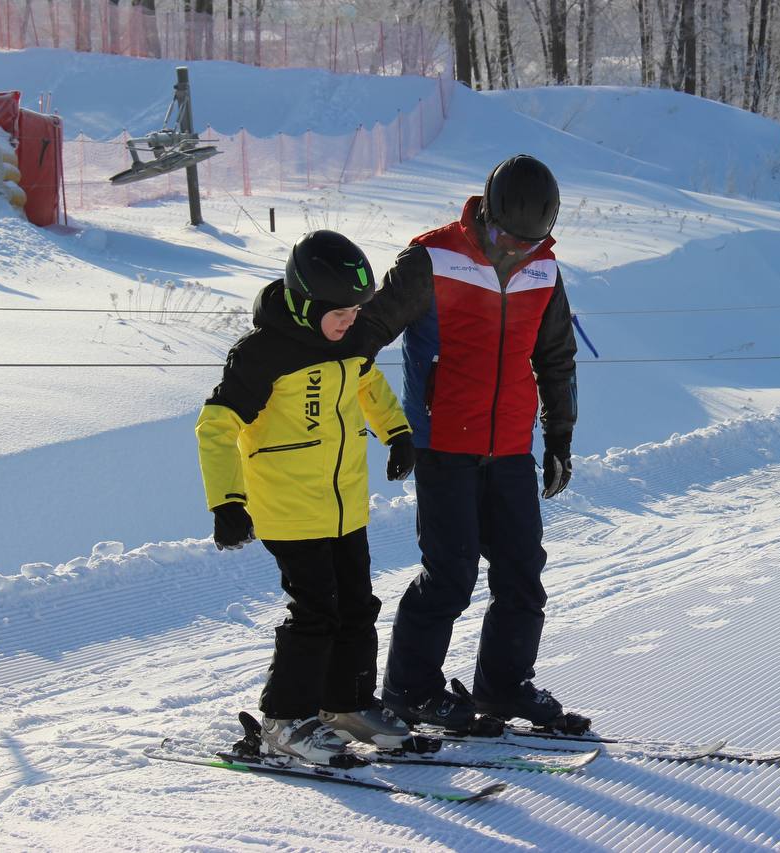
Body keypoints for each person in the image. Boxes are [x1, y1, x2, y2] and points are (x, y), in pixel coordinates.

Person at [353, 154, 585, 734]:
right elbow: (367, 335)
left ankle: (504, 686)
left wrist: (559, 434)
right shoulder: (431, 259)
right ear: (487, 212)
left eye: (533, 241)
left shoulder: (544, 271)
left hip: (509, 444)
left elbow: (555, 356)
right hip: (443, 442)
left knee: (522, 573)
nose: (519, 250)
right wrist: (379, 424)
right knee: (450, 573)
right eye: (510, 237)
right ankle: (410, 689)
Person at [195, 230, 418, 763]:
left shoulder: (351, 341)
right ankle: (284, 719)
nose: (351, 321)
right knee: (317, 612)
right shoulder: (263, 353)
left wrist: (397, 432)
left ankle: (346, 705)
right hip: (288, 508)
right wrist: (227, 501)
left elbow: (367, 385)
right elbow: (216, 425)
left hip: (344, 503)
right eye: (339, 312)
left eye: (356, 310)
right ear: (304, 301)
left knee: (358, 607)